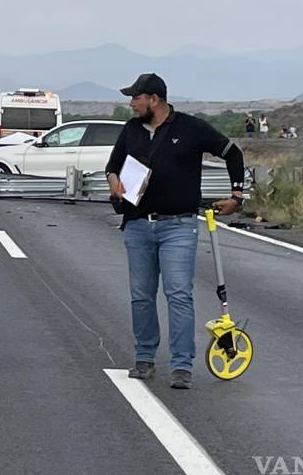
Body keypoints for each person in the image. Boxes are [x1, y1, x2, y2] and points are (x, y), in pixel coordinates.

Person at [105, 73, 245, 390]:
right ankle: (144, 357)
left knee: (178, 294)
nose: (130, 103)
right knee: (141, 295)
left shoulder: (191, 128)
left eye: (135, 98)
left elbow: (231, 152)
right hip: (138, 224)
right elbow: (112, 166)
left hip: (178, 226)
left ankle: (182, 365)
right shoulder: (131, 130)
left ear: (153, 99)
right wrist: (115, 183)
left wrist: (236, 195)